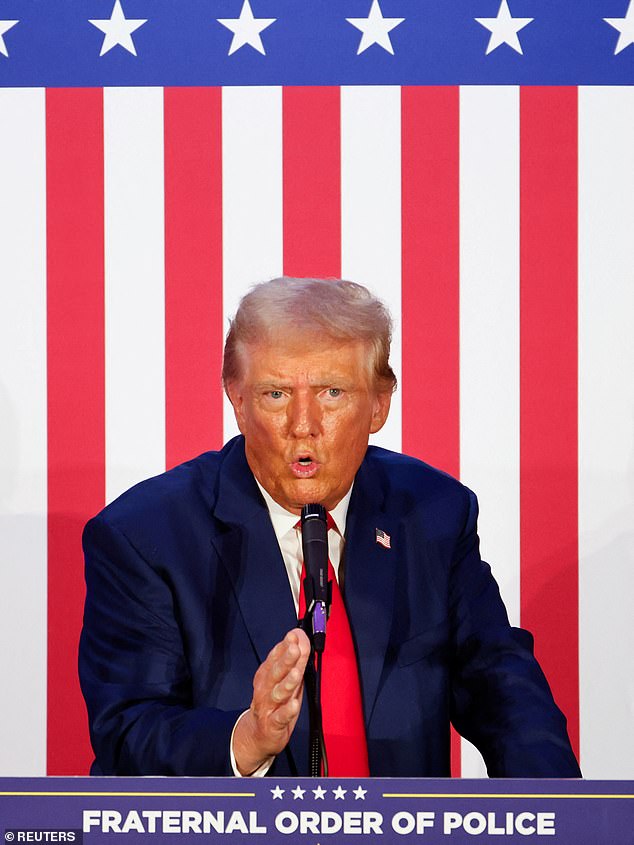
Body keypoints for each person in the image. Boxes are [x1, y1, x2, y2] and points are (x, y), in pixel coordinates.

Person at [79, 277, 581, 778]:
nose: (303, 424)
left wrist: (562, 815)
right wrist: (245, 741)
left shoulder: (431, 515)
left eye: (332, 392)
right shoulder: (145, 536)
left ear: (380, 403)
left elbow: (502, 687)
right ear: (236, 398)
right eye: (276, 394)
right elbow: (128, 731)